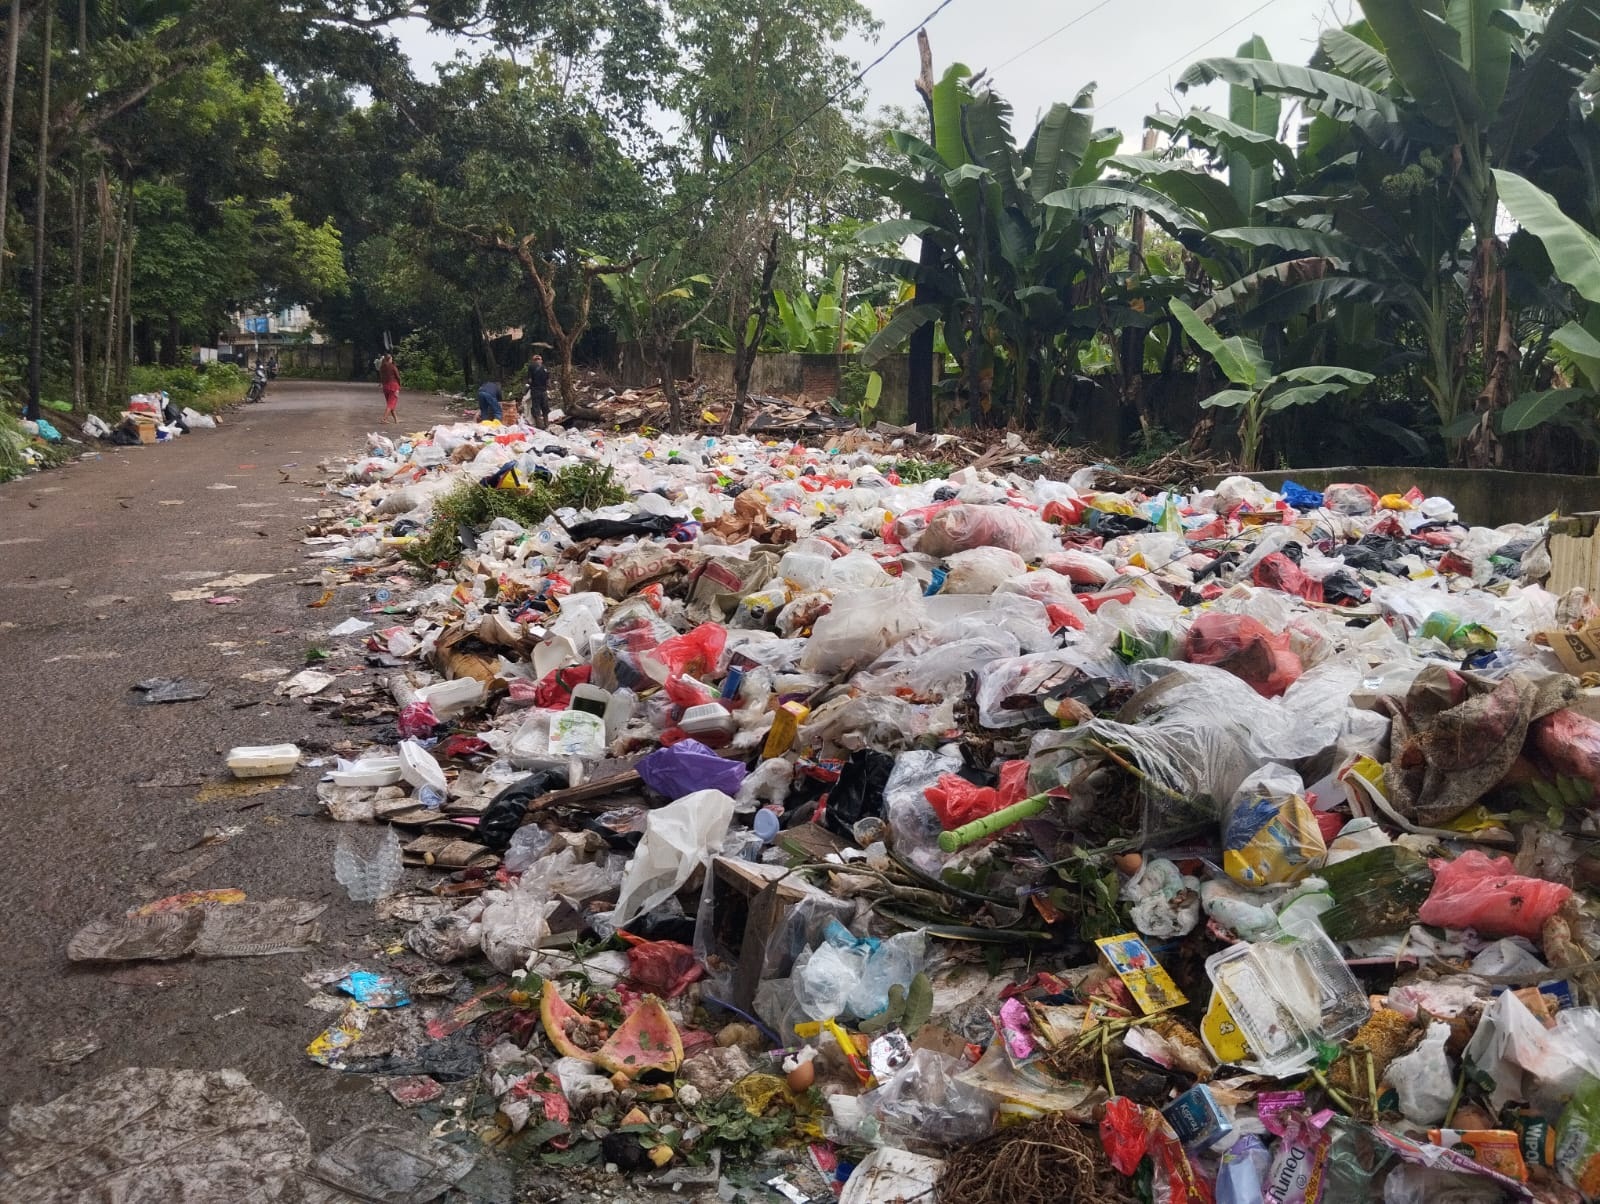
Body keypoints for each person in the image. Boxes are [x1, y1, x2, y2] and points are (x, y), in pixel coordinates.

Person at [526, 353, 551, 425]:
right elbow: (548, 381)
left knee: (536, 408)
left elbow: (530, 380)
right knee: (545, 407)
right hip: (544, 391)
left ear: (533, 361)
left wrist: (528, 386)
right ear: (541, 360)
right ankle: (546, 423)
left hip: (535, 390)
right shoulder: (545, 368)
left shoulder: (531, 366)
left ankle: (540, 425)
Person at [378, 353, 401, 424]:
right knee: (391, 404)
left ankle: (396, 420)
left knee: (390, 404)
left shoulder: (382, 367)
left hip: (385, 387)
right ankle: (384, 419)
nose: (392, 360)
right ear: (389, 359)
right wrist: (399, 385)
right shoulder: (392, 366)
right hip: (393, 386)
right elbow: (398, 377)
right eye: (391, 358)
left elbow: (381, 377)